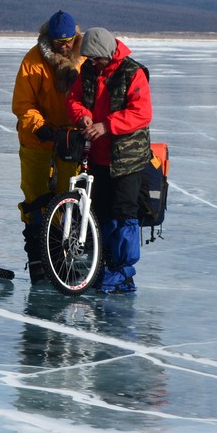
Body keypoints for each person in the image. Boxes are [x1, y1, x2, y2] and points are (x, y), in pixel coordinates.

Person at [66, 28, 152, 294]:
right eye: (88, 59)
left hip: (127, 158)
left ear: (106, 53)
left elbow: (141, 112)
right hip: (97, 157)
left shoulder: (132, 72)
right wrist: (82, 116)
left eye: (95, 59)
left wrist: (107, 125)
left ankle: (123, 274)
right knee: (100, 213)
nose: (91, 63)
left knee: (124, 214)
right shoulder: (89, 72)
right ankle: (100, 266)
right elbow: (74, 99)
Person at [12, 10, 83, 283]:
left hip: (70, 139)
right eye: (57, 42)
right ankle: (38, 261)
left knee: (67, 198)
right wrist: (39, 126)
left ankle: (60, 259)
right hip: (36, 138)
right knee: (35, 198)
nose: (63, 46)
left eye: (67, 41)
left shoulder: (84, 58)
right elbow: (22, 103)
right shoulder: (33, 61)